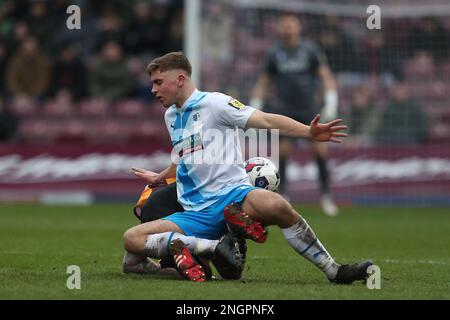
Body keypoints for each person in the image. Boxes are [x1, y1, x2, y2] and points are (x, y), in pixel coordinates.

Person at [122, 51, 372, 283]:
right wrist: (162, 176)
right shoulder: (171, 116)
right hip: (194, 212)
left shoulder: (215, 103)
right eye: (152, 83)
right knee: (131, 238)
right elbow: (186, 155)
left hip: (234, 195)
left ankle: (334, 270)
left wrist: (308, 131)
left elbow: (264, 119)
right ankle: (211, 247)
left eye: (158, 82)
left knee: (277, 205)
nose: (153, 89)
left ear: (179, 79)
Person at [250, 13, 339, 216]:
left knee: (320, 151)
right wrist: (255, 105)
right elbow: (263, 82)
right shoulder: (275, 53)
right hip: (285, 111)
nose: (288, 28)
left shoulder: (310, 50)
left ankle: (326, 196)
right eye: (285, 25)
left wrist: (331, 101)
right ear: (280, 29)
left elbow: (325, 76)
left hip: (309, 109)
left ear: (298, 28)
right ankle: (284, 195)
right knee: (283, 153)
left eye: (292, 25)